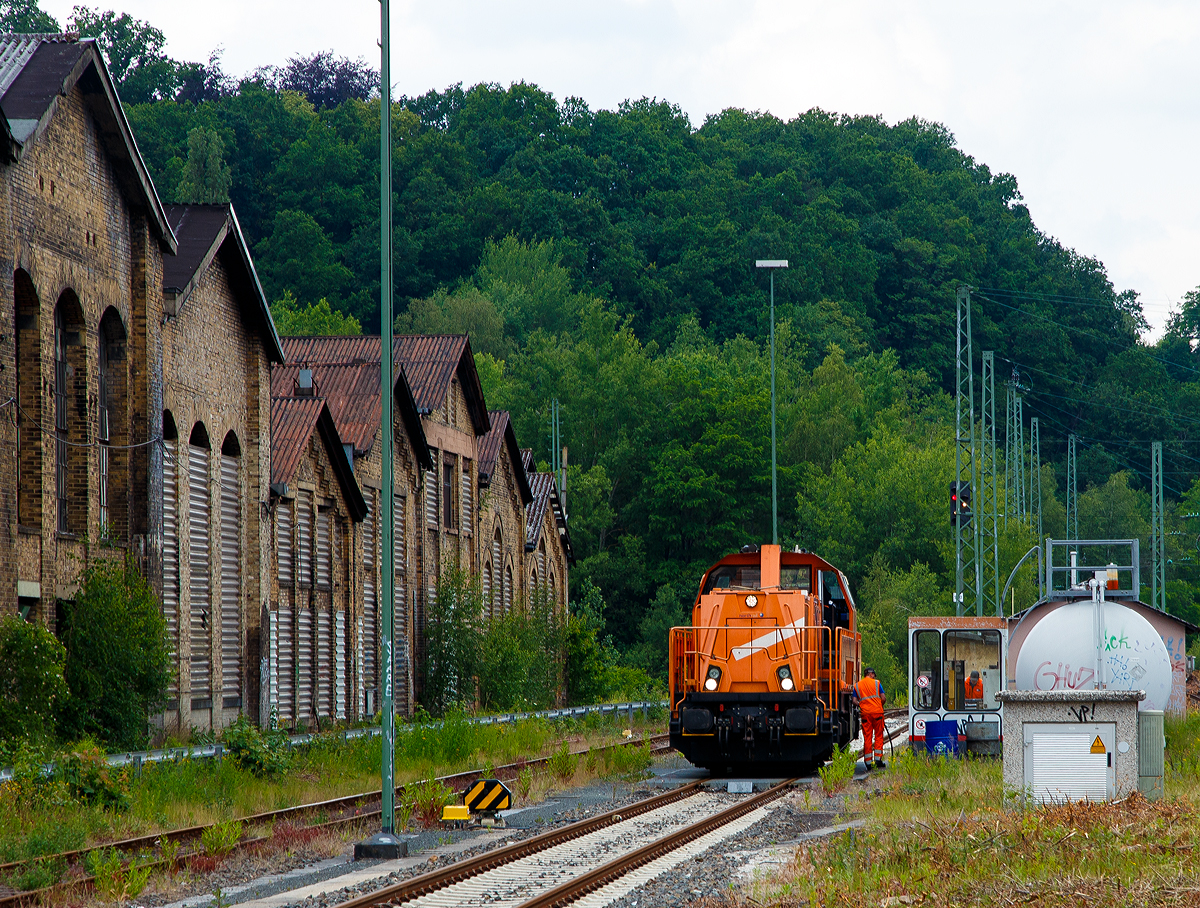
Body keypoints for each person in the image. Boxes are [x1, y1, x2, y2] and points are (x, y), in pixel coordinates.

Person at [852, 667, 887, 769]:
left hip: (865, 714)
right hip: (877, 713)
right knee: (879, 736)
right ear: (871, 674)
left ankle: (868, 762)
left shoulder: (857, 685)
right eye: (873, 675)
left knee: (867, 737)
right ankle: (877, 760)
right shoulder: (876, 683)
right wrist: (879, 706)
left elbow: (854, 701)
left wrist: (862, 705)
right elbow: (883, 698)